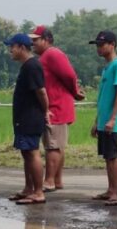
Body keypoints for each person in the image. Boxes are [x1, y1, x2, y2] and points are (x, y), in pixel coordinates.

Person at [29, 25, 86, 193]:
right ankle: (57, 180)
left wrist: (75, 91)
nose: (33, 44)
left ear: (46, 40)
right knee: (57, 145)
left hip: (56, 106)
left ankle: (49, 181)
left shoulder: (52, 54)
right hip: (58, 105)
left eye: (36, 40)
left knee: (52, 145)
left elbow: (69, 75)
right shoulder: (47, 55)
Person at [4, 33, 49, 205]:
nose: (10, 50)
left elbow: (41, 91)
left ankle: (38, 191)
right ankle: (28, 188)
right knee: (26, 153)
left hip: (31, 118)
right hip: (24, 118)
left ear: (22, 48)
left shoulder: (32, 66)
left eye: (12, 47)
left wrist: (46, 111)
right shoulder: (27, 66)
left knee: (32, 153)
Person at [89, 31, 117, 206]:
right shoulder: (107, 67)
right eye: (97, 45)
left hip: (113, 120)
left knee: (113, 155)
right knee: (107, 156)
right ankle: (110, 189)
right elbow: (104, 97)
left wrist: (113, 118)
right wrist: (97, 120)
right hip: (104, 119)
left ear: (112, 44)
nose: (99, 48)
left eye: (102, 44)